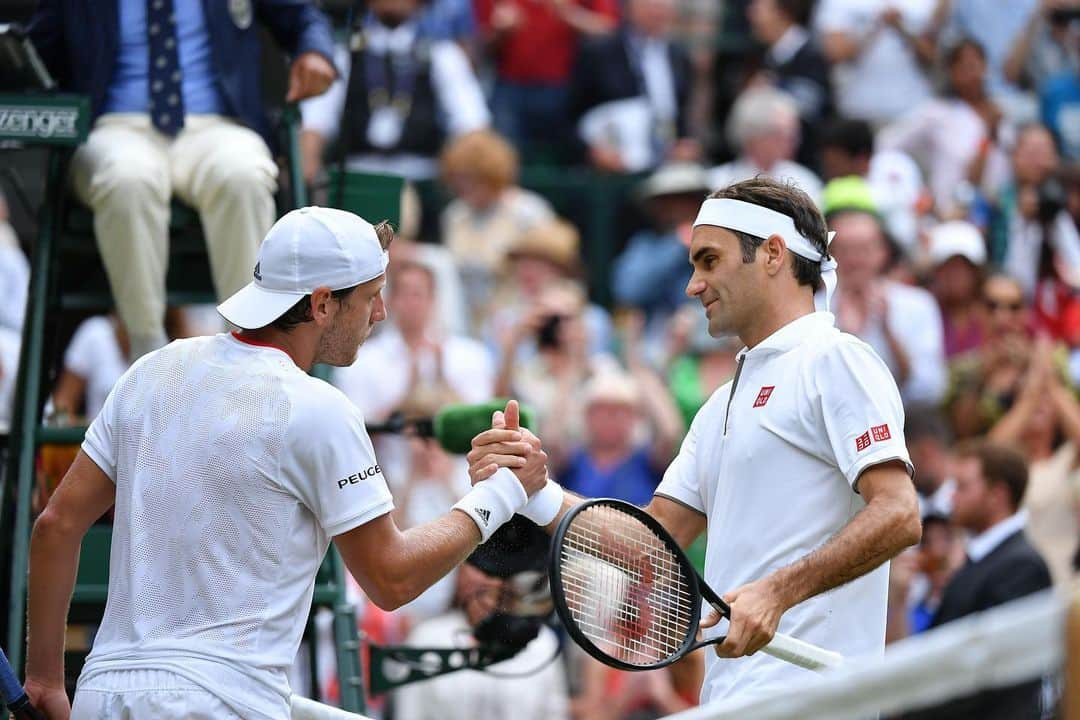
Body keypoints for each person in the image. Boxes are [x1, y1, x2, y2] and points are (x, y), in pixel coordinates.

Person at [24, 207, 549, 720]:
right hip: (216, 704)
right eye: (371, 296)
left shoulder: (151, 371)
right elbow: (391, 580)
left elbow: (56, 525)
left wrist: (46, 680)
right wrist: (500, 495)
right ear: (322, 304)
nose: (381, 313)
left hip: (102, 692)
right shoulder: (319, 407)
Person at [469, 177, 922, 703]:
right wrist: (536, 491)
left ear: (773, 254)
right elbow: (652, 542)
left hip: (815, 703)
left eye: (709, 261)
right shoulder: (719, 406)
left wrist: (778, 592)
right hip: (730, 697)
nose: (692, 285)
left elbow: (899, 512)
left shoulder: (837, 359)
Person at [29, 0, 338, 360]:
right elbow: (36, 48)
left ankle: (249, 350)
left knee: (244, 175)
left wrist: (316, 51)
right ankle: (147, 358)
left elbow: (302, 14)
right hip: (115, 126)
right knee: (128, 180)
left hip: (216, 126)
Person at [897, 442, 1052, 720]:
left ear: (997, 495)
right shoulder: (983, 561)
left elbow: (999, 680)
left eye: (962, 487)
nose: (951, 498)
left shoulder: (1020, 566)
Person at [392, 516, 569, 720]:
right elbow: (408, 714)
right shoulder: (426, 638)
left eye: (501, 571)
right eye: (481, 567)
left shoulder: (541, 644)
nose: (491, 581)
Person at [300, 0, 490, 183]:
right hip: (357, 176)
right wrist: (308, 161)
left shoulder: (442, 55)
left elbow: (470, 121)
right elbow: (316, 121)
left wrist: (471, 162)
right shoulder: (345, 55)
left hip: (422, 177)